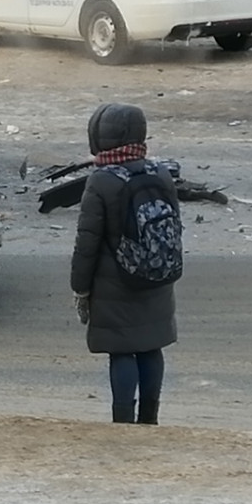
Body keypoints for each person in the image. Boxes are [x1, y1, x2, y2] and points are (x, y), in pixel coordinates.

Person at [70, 103, 178, 425]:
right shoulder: (159, 172)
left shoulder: (101, 181)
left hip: (115, 283)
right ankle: (150, 419)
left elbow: (86, 244)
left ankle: (123, 423)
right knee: (151, 347)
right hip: (158, 275)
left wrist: (80, 288)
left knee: (122, 352)